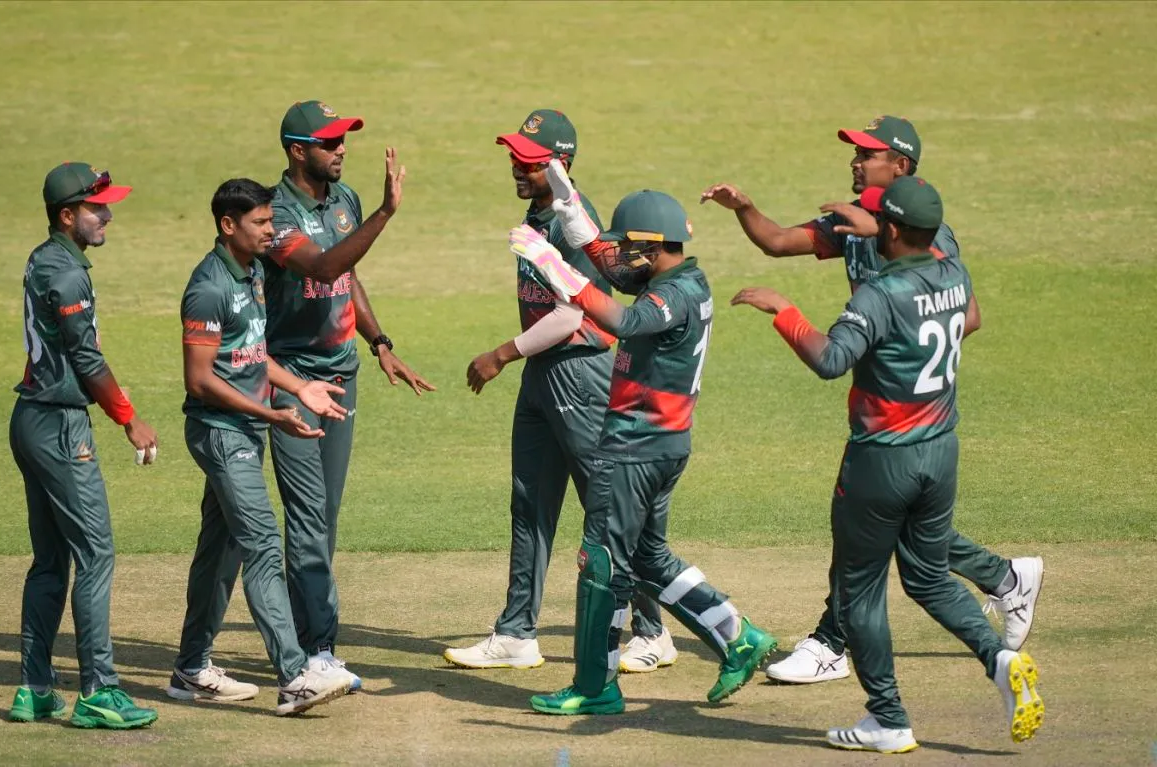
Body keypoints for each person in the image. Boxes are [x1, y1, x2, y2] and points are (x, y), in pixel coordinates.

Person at [702, 116, 1042, 685]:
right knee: (901, 536)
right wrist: (744, 208)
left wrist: (888, 347)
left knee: (866, 537)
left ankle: (832, 644)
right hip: (896, 416)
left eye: (869, 154)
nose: (856, 162)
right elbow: (777, 241)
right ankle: (1006, 579)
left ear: (900, 167)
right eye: (856, 153)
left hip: (902, 415)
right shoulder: (853, 225)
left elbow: (969, 315)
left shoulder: (927, 236)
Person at [512, 187, 777, 715]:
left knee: (602, 563)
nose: (621, 256)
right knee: (649, 557)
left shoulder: (670, 297)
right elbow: (616, 273)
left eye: (628, 246)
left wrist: (554, 268)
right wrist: (573, 218)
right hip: (663, 445)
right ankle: (737, 635)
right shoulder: (681, 280)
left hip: (635, 448)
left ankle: (595, 685)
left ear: (654, 247)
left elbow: (624, 321)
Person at [444, 110, 672, 673]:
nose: (516, 166)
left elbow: (572, 316)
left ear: (560, 163)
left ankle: (652, 630)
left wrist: (502, 353)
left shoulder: (575, 221)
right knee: (530, 503)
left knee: (609, 502)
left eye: (528, 159)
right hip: (544, 375)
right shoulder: (538, 210)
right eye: (514, 155)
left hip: (577, 370)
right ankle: (517, 632)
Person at [262, 101, 433, 691]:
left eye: (344, 140)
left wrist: (379, 339)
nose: (342, 149)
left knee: (324, 516)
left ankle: (299, 638)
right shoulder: (272, 214)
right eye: (330, 142)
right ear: (297, 150)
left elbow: (347, 274)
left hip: (343, 373)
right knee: (308, 519)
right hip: (291, 382)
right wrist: (388, 212)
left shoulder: (344, 200)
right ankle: (315, 651)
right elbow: (326, 262)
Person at [166, 178, 353, 716]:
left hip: (243, 427)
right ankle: (295, 677)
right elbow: (199, 380)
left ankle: (191, 666)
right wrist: (268, 412)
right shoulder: (207, 287)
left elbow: (249, 353)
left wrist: (297, 387)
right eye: (262, 223)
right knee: (265, 545)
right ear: (229, 225)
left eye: (273, 221)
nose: (272, 231)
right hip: (223, 433)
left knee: (218, 552)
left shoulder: (249, 273)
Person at [9, 162, 158, 729]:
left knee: (51, 561)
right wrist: (129, 419)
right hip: (60, 427)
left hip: (29, 419)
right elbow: (86, 358)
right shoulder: (68, 275)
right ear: (67, 215)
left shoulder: (45, 258)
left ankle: (35, 689)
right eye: (98, 208)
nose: (109, 216)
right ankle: (99, 691)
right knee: (96, 556)